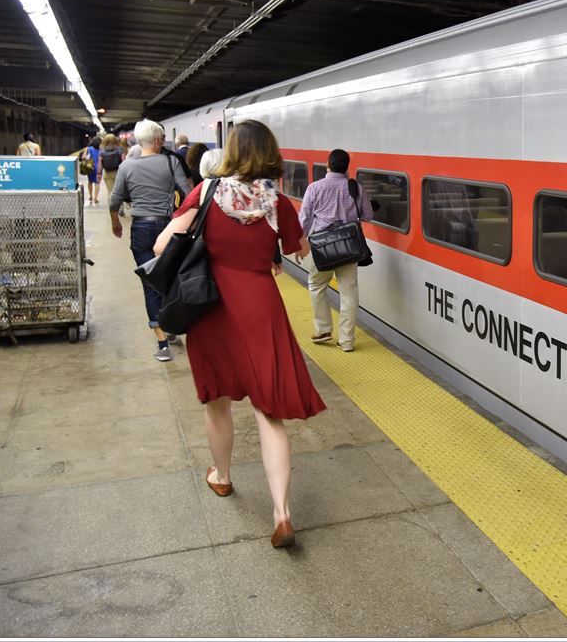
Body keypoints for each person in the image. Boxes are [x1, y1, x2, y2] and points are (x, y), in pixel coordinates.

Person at [153, 119, 323, 549]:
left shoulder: (207, 191)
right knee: (269, 412)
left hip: (212, 307)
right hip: (261, 306)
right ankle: (282, 513)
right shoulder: (276, 202)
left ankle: (223, 477)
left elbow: (161, 246)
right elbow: (300, 249)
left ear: (231, 151)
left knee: (218, 402)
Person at [108, 119, 192, 361]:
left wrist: (115, 222)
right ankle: (171, 324)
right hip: (168, 228)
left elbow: (114, 201)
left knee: (150, 282)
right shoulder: (171, 162)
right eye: (162, 139)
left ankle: (162, 343)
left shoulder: (126, 166)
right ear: (156, 141)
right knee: (170, 278)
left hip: (141, 228)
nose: (163, 142)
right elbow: (187, 195)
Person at [298, 148, 373, 352]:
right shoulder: (356, 188)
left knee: (316, 285)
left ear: (328, 165)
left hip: (323, 248)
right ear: (347, 167)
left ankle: (323, 330)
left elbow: (304, 220)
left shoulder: (314, 188)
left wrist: (300, 244)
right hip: (349, 248)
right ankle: (346, 341)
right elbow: (367, 216)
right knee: (349, 293)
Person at [98, 134, 124, 215]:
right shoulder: (119, 150)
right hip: (118, 173)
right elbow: (124, 162)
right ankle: (121, 210)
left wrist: (99, 174)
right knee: (119, 192)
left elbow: (100, 164)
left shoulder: (102, 152)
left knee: (110, 192)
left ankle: (112, 210)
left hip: (107, 173)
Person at [81, 136, 102, 205]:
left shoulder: (88, 148)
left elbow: (83, 157)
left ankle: (90, 196)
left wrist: (87, 157)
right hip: (98, 167)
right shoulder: (101, 150)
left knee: (90, 182)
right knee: (97, 183)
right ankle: (96, 198)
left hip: (90, 167)